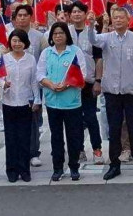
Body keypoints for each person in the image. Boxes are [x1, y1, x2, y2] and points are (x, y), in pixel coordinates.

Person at [88, 4, 133, 181]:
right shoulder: (107, 38)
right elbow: (93, 39)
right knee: (114, 130)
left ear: (128, 19)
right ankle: (114, 165)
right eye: (115, 17)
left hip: (132, 92)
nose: (118, 20)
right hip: (112, 92)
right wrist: (91, 24)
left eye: (121, 17)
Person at [37, 21, 87, 181]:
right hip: (53, 103)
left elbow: (82, 74)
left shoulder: (75, 51)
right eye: (55, 33)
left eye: (61, 33)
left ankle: (74, 167)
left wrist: (66, 85)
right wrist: (50, 84)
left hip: (72, 102)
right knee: (56, 137)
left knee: (74, 137)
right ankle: (57, 168)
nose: (58, 36)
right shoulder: (46, 53)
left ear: (67, 35)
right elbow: (40, 74)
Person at [10, 4, 48, 168]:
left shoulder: (39, 37)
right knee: (15, 123)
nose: (22, 18)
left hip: (34, 85)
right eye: (19, 15)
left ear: (30, 17)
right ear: (15, 18)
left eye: (25, 15)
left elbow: (45, 59)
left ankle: (33, 152)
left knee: (33, 121)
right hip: (13, 87)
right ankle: (18, 152)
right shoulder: (10, 36)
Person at [66, 1, 103, 164]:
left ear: (85, 14)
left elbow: (98, 59)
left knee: (90, 117)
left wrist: (98, 80)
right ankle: (78, 149)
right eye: (74, 12)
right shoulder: (66, 33)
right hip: (70, 83)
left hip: (88, 81)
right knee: (74, 118)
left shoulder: (92, 33)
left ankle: (97, 149)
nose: (76, 14)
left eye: (80, 12)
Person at [2, 29, 39, 183]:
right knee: (10, 138)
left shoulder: (30, 59)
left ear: (25, 43)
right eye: (14, 40)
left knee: (25, 137)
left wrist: (37, 99)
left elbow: (34, 81)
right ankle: (11, 170)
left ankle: (24, 170)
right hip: (9, 102)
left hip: (25, 102)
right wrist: (3, 84)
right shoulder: (4, 59)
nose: (17, 44)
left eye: (20, 41)